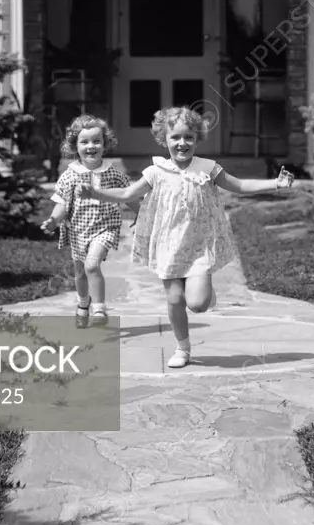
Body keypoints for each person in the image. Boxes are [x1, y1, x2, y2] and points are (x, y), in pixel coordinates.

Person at [80, 105, 294, 367]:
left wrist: (276, 183)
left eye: (189, 137)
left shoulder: (207, 167)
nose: (182, 143)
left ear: (197, 138)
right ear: (163, 139)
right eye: (175, 137)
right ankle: (182, 348)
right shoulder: (155, 171)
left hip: (199, 247)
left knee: (198, 304)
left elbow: (239, 186)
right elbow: (126, 195)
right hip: (169, 246)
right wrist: (95, 193)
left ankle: (205, 292)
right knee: (174, 299)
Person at [40, 114, 138, 328]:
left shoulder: (114, 173)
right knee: (80, 273)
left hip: (105, 228)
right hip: (77, 230)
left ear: (105, 144)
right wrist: (54, 220)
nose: (91, 146)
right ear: (75, 146)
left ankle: (99, 308)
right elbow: (62, 204)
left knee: (92, 265)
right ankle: (83, 303)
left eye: (96, 141)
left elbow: (127, 195)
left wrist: (141, 214)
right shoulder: (69, 175)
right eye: (84, 142)